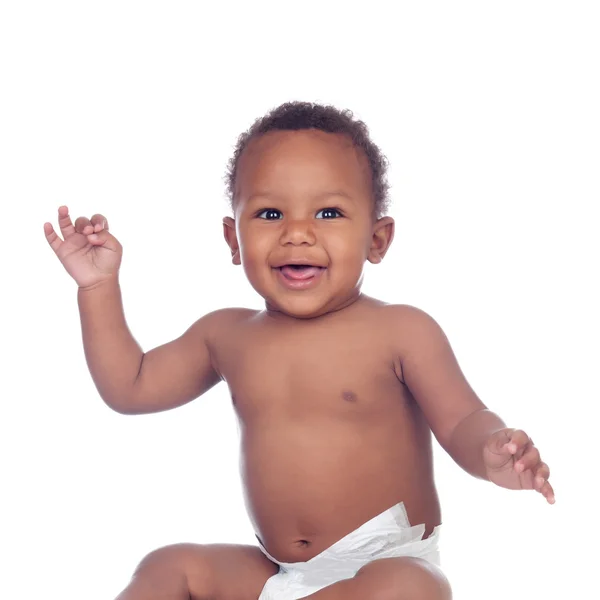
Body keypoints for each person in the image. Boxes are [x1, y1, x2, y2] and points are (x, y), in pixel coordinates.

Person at [44, 101, 554, 600]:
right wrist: (97, 289)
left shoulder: (401, 330)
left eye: (328, 212)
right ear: (233, 239)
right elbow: (130, 387)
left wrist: (492, 452)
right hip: (279, 573)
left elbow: (463, 420)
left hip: (382, 564)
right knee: (170, 564)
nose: (297, 233)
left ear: (377, 239)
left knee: (413, 589)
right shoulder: (226, 335)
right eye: (269, 213)